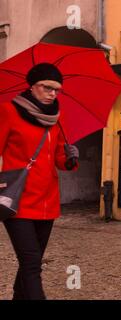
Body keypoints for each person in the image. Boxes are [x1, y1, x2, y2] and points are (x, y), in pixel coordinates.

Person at [0, 63, 79, 300]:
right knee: (32, 263)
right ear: (32, 86)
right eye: (47, 87)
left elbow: (59, 159)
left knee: (31, 262)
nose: (53, 93)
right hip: (18, 201)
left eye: (57, 89)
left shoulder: (56, 118)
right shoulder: (8, 111)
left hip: (47, 202)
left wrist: (70, 158)